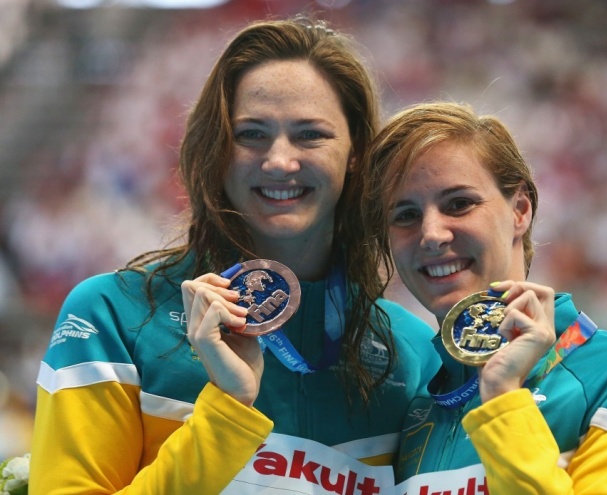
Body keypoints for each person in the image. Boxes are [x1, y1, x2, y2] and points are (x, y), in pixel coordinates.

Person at [29, 16, 440, 494]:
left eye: (311, 135)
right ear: (216, 149)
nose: (280, 161)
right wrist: (226, 413)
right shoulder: (114, 318)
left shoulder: (409, 355)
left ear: (356, 154)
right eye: (251, 134)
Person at [359, 101, 607, 493]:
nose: (431, 233)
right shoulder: (419, 410)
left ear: (521, 210)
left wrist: (502, 399)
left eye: (458, 204)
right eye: (405, 215)